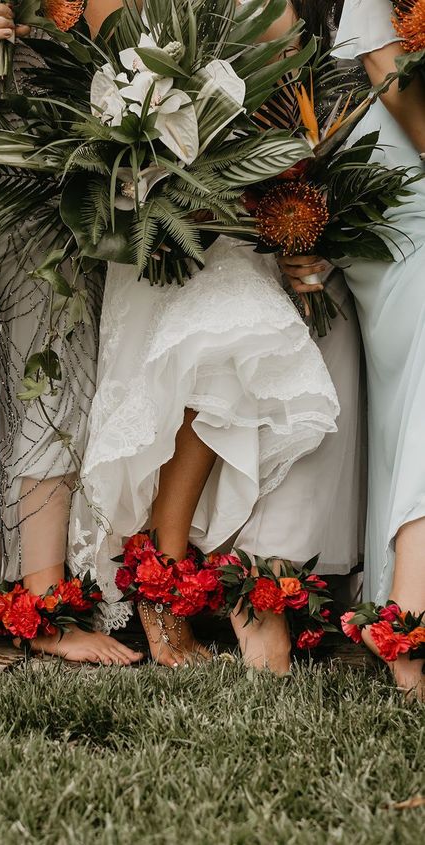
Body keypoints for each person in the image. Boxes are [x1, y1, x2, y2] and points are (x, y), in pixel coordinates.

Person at [67, 0, 365, 673]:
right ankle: (163, 579)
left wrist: (283, 203)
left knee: (237, 335)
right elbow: (106, 94)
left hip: (235, 215)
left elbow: (293, 82)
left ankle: (191, 576)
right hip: (157, 217)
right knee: (226, 334)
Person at [0, 1, 143, 666]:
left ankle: (37, 592)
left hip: (92, 184)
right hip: (15, 178)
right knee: (47, 368)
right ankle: (46, 611)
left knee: (72, 372)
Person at [332, 0, 425, 696]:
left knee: (406, 403)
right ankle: (410, 627)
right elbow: (385, 67)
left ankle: (390, 601)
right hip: (399, 173)